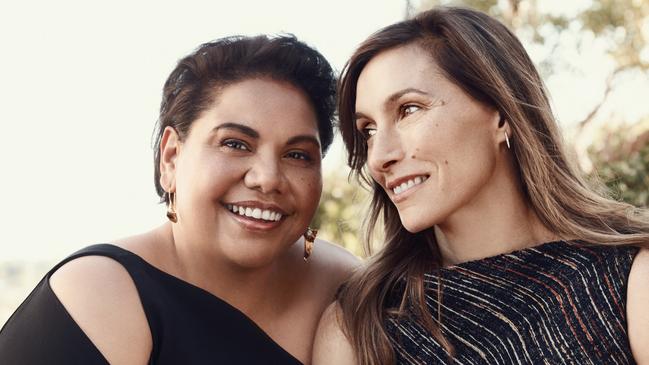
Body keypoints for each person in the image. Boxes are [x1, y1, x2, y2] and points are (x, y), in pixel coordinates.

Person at [312, 6, 649, 365]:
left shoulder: (629, 277)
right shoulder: (360, 324)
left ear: (501, 114)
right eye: (369, 131)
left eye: (409, 110)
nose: (379, 157)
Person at [0, 34, 358, 364]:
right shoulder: (101, 294)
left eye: (297, 154)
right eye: (235, 144)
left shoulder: (351, 290)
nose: (267, 178)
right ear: (171, 157)